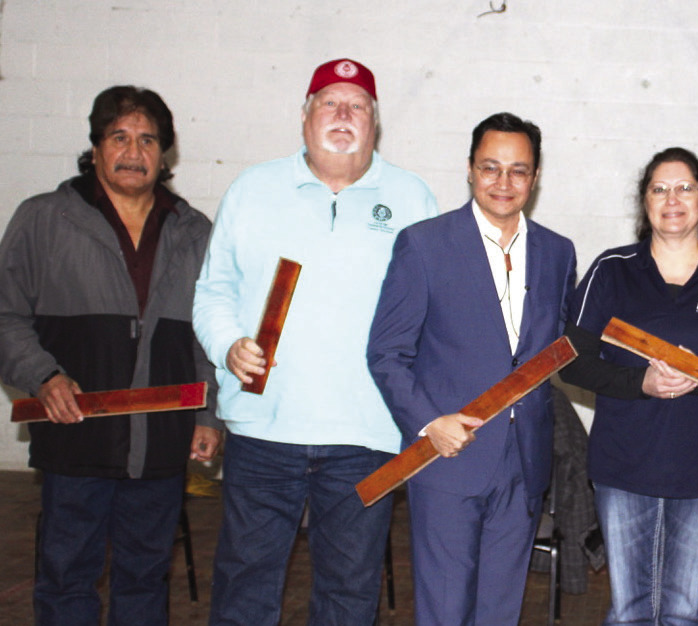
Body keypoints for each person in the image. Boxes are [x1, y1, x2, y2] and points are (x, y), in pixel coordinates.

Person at [193, 58, 438, 624]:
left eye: (357, 106)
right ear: (305, 116)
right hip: (264, 430)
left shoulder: (411, 198)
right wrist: (229, 344)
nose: (343, 114)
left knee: (349, 595)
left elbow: (432, 315)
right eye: (329, 102)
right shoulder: (253, 189)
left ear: (375, 122)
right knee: (245, 588)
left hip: (367, 435)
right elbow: (213, 291)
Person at [0, 85, 220, 625]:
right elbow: (5, 316)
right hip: (75, 435)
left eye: (148, 139)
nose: (133, 151)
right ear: (96, 147)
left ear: (164, 153)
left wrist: (209, 415)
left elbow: (210, 335)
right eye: (119, 136)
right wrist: (43, 376)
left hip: (162, 447)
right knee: (67, 577)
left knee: (145, 578)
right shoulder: (44, 219)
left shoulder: (194, 231)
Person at [560, 147, 698, 624]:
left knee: (682, 611)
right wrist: (639, 381)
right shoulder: (612, 269)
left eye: (685, 188)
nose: (672, 199)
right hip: (625, 467)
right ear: (645, 203)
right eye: (659, 189)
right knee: (628, 612)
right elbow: (571, 363)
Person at [367, 112, 576, 624]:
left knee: (500, 610)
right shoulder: (424, 244)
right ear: (468, 169)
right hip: (447, 455)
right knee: (445, 608)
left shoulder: (558, 252)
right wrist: (428, 422)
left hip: (524, 460)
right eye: (490, 167)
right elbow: (386, 352)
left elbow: (565, 345)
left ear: (536, 176)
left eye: (518, 170)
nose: (503, 183)